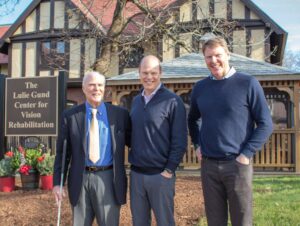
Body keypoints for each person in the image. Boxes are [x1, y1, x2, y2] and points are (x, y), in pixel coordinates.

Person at [188, 37, 273, 226]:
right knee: (215, 221)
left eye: (218, 55)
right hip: (209, 166)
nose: (213, 60)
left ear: (228, 54)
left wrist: (246, 154)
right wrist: (197, 144)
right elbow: (192, 119)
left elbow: (266, 123)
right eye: (208, 57)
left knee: (242, 221)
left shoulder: (248, 83)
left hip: (237, 165)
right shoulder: (200, 88)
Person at [53, 71, 131, 226]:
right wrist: (57, 183)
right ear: (83, 88)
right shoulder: (70, 116)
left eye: (100, 85)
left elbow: (134, 142)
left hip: (108, 179)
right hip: (80, 178)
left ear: (105, 88)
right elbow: (62, 152)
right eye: (91, 85)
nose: (96, 89)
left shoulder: (120, 115)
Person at [129, 55, 188, 226]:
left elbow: (180, 140)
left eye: (153, 72)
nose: (149, 77)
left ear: (160, 73)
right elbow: (131, 135)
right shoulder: (135, 101)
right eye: (145, 72)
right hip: (137, 175)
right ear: (138, 73)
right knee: (139, 222)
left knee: (165, 222)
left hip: (161, 176)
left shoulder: (172, 101)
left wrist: (169, 170)